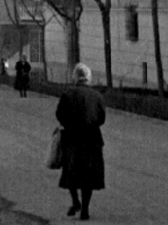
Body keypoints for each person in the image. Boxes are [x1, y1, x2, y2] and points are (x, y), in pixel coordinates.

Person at [56, 63, 105, 221]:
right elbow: (101, 118)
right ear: (89, 78)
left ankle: (75, 201)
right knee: (88, 177)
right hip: (92, 140)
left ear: (75, 77)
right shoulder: (97, 96)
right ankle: (85, 209)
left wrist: (69, 125)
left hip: (72, 139)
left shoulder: (68, 94)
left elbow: (59, 114)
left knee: (71, 172)